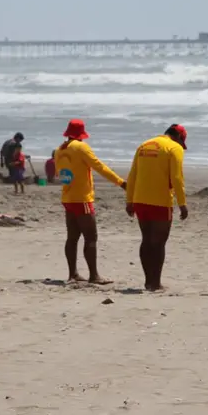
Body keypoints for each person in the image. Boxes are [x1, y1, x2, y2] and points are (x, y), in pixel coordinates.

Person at [55, 119, 126, 284]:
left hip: (68, 197)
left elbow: (60, 174)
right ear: (81, 135)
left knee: (72, 237)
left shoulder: (60, 150)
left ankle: (72, 274)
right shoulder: (81, 148)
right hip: (82, 198)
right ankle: (94, 276)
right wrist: (121, 182)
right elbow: (99, 167)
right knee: (91, 236)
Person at [125, 124, 188, 291]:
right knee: (159, 243)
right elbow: (177, 178)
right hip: (161, 201)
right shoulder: (174, 148)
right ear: (179, 137)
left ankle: (148, 281)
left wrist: (129, 200)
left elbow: (132, 174)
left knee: (146, 240)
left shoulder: (144, 145)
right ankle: (156, 283)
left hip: (140, 199)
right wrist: (182, 203)